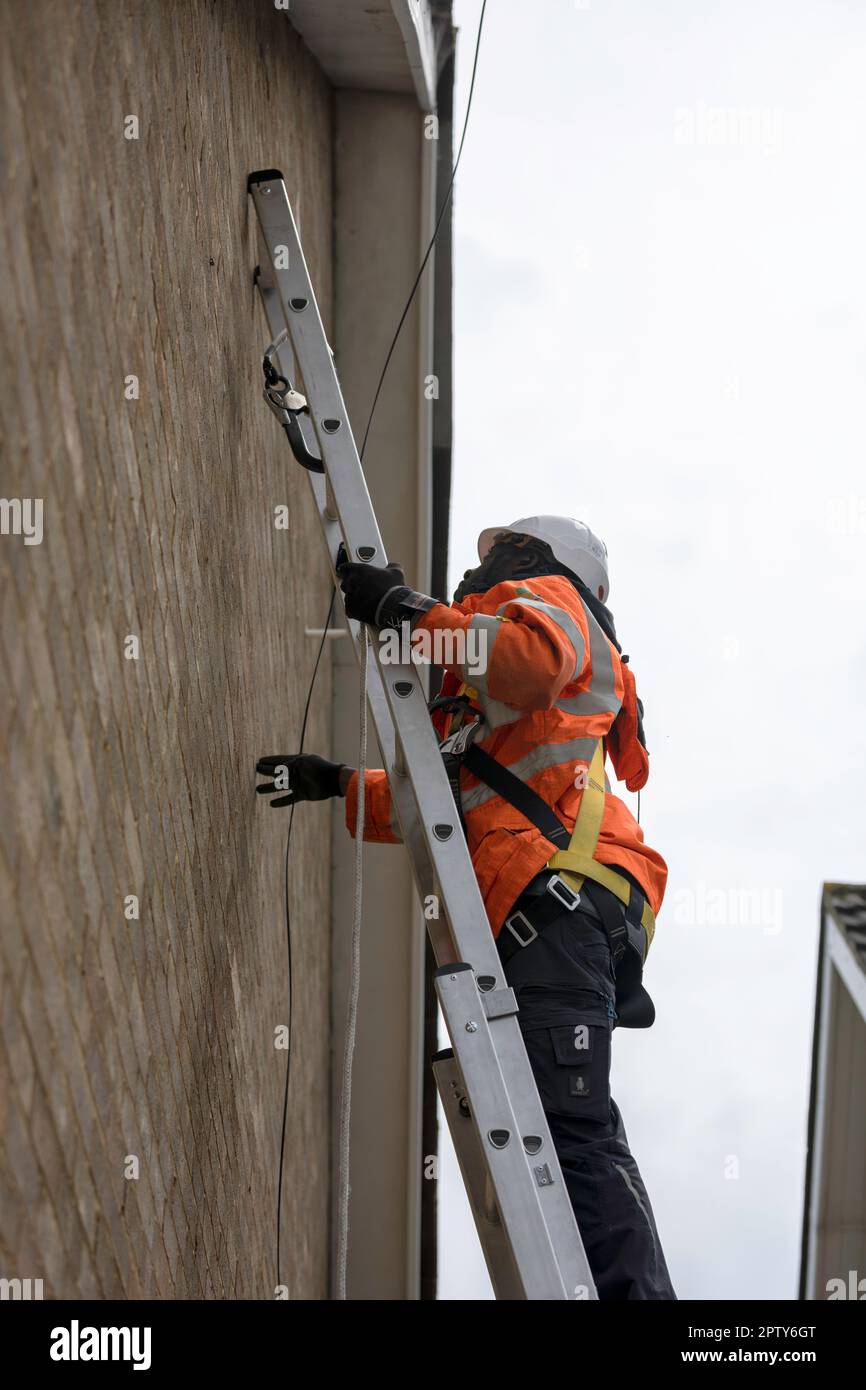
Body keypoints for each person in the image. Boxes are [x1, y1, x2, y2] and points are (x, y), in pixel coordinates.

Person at [257, 515, 676, 1299]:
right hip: (550, 914)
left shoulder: (554, 599)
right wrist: (338, 784)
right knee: (565, 1132)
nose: (479, 580)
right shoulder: (495, 725)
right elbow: (448, 808)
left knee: (571, 1135)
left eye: (497, 559)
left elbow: (517, 661)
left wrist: (406, 611)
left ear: (535, 556)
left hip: (558, 907)